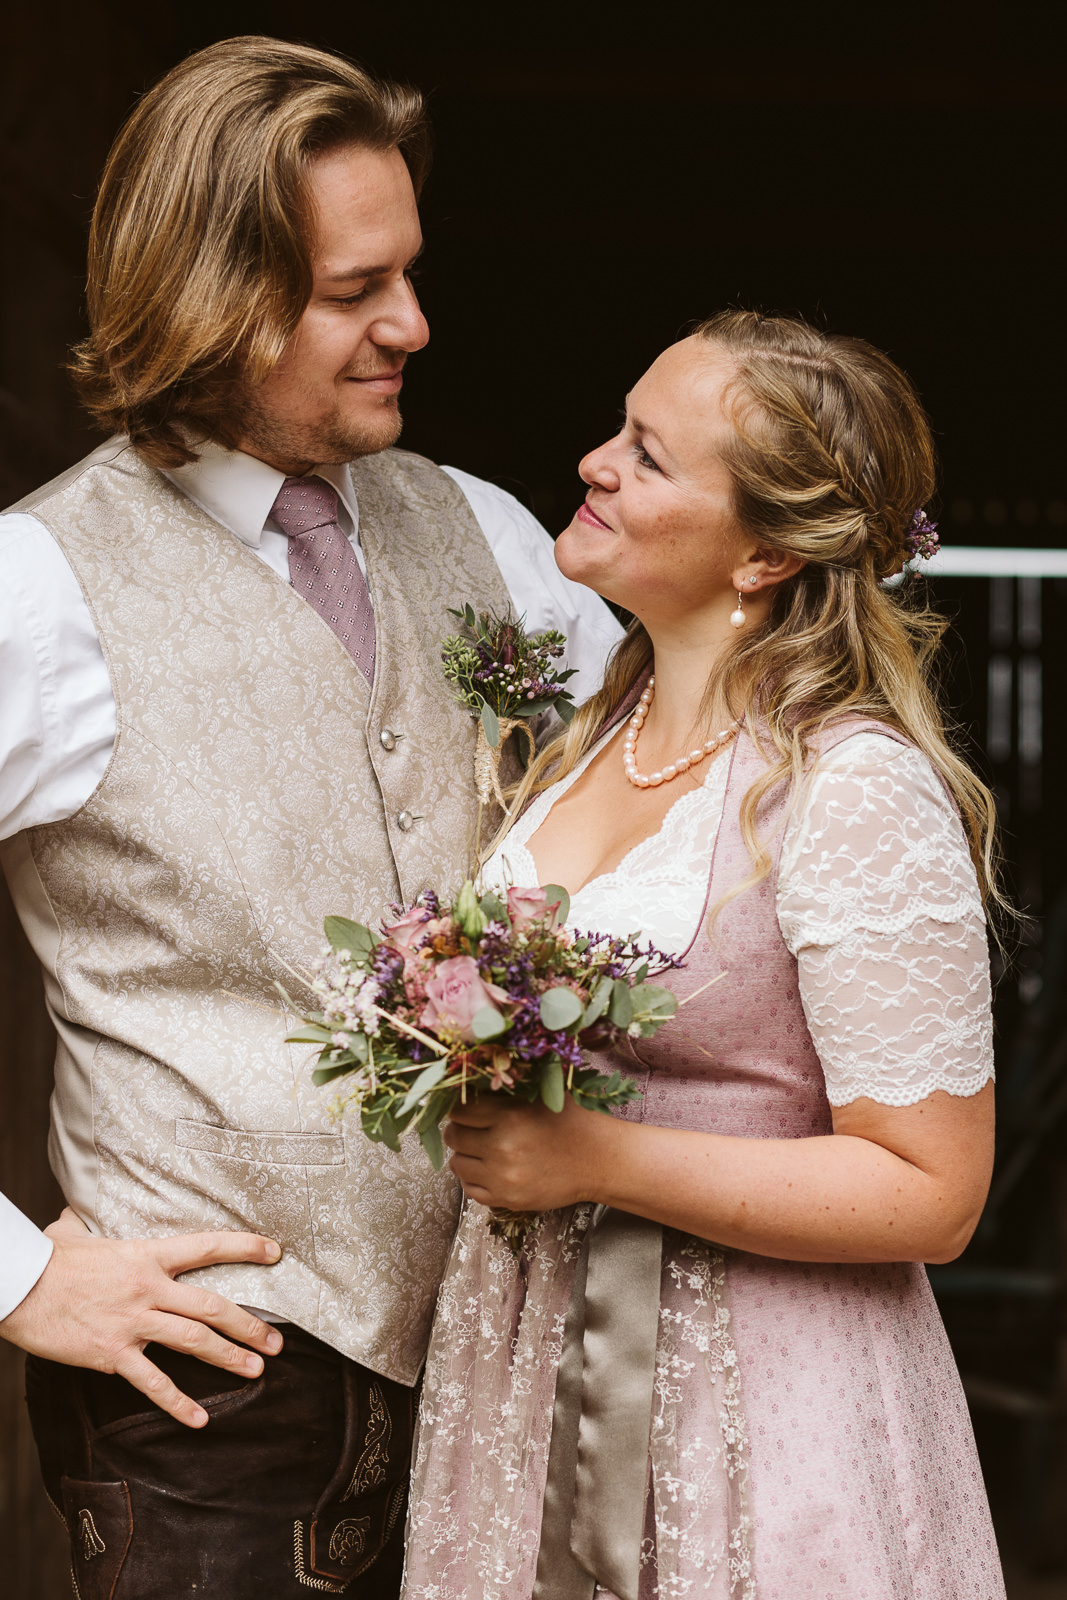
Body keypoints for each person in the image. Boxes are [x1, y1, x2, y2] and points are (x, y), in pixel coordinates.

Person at [0, 35, 621, 1599]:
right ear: (212, 297)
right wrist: (14, 1281)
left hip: (509, 1353)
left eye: (408, 272)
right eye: (356, 291)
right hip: (206, 1398)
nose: (412, 325)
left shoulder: (489, 532)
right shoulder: (39, 586)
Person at [401, 311, 1006, 1600]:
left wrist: (595, 1158)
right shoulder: (574, 749)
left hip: (757, 1403)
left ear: (768, 552)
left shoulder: (851, 790)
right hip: (521, 1379)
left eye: (650, 457)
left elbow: (933, 1190)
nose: (595, 463)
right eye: (620, 429)